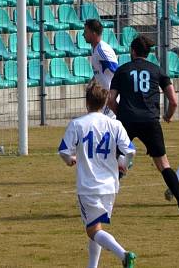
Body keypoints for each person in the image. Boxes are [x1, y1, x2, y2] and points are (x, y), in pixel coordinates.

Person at [59, 81, 137, 268]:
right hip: (110, 185)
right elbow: (131, 151)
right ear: (104, 104)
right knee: (96, 226)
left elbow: (63, 151)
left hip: (88, 186)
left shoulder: (77, 124)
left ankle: (124, 255)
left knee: (92, 230)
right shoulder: (115, 124)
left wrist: (69, 160)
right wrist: (123, 165)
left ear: (87, 103)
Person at [107, 35, 179, 216]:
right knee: (163, 165)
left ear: (132, 51)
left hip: (126, 122)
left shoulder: (123, 70)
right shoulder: (157, 71)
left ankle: (104, 204)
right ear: (147, 53)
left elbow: (110, 99)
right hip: (150, 121)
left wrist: (122, 114)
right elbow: (173, 101)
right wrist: (167, 116)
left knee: (111, 161)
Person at [82, 19, 118, 117]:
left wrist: (114, 94)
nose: (83, 34)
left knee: (105, 124)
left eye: (85, 32)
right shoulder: (95, 49)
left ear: (93, 33)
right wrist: (93, 81)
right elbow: (100, 71)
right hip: (103, 97)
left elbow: (116, 71)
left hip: (109, 97)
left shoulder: (103, 50)